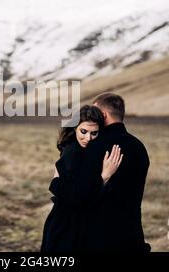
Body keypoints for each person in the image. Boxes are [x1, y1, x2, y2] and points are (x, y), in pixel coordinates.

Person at [40, 105, 123, 252]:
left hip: (76, 225)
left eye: (94, 133)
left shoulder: (89, 151)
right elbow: (75, 197)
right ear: (75, 128)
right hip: (65, 227)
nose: (88, 138)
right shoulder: (72, 152)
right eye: (83, 131)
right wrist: (104, 176)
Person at [79, 92, 151, 252]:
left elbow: (82, 194)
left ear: (103, 115)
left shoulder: (94, 146)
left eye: (94, 112)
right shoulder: (139, 147)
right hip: (132, 236)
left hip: (97, 239)